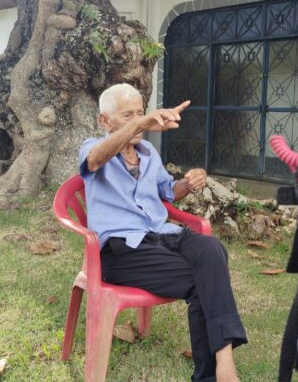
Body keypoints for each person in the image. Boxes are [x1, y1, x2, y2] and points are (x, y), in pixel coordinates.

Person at [78, 83, 247, 382]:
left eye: (141, 113)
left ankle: (224, 361)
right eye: (127, 115)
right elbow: (94, 161)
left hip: (161, 235)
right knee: (203, 281)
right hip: (121, 251)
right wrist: (140, 124)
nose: (139, 120)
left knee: (212, 250)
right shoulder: (93, 147)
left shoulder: (148, 153)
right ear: (105, 121)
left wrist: (191, 182)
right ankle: (219, 372)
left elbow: (168, 192)